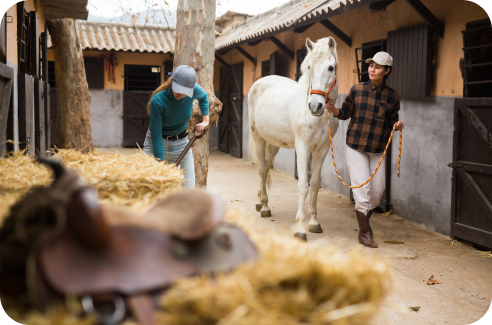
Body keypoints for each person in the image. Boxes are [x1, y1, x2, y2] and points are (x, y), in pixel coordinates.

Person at [325, 52, 404, 248]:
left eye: (377, 67)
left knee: (377, 192)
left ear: (386, 71)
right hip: (356, 147)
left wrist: (398, 125)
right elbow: (344, 114)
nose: (372, 69)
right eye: (370, 65)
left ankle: (364, 224)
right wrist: (334, 109)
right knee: (362, 190)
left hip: (378, 149)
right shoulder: (357, 89)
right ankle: (364, 232)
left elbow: (393, 120)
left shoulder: (392, 96)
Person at [143, 65, 209, 188]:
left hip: (181, 144)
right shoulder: (158, 100)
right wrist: (159, 162)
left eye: (184, 91)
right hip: (156, 143)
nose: (180, 93)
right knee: (148, 187)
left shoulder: (194, 90)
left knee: (188, 189)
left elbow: (204, 97)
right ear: (172, 81)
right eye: (178, 89)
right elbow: (156, 135)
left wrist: (205, 120)